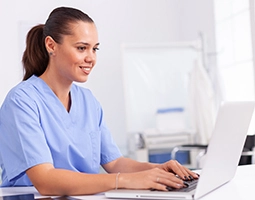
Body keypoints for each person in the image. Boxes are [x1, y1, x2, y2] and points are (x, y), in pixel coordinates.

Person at [0, 6, 198, 196]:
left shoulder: (88, 101)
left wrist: (156, 170)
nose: (91, 58)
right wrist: (125, 181)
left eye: (95, 49)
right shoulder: (22, 101)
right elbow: (46, 180)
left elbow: (115, 163)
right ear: (51, 45)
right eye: (81, 48)